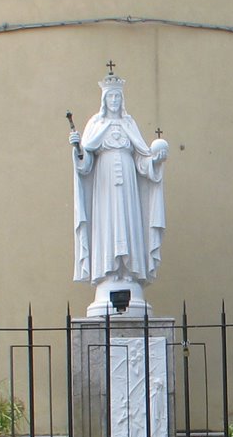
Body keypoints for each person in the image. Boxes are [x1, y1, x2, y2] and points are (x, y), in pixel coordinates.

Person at [70, 71, 168, 293]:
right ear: (104, 100)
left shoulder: (129, 124)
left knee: (129, 221)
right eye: (110, 97)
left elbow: (142, 161)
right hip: (103, 184)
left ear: (121, 100)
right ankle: (109, 272)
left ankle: (129, 272)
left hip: (129, 186)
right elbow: (85, 165)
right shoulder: (96, 124)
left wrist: (155, 161)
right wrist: (77, 148)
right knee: (108, 223)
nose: (114, 101)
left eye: (117, 97)